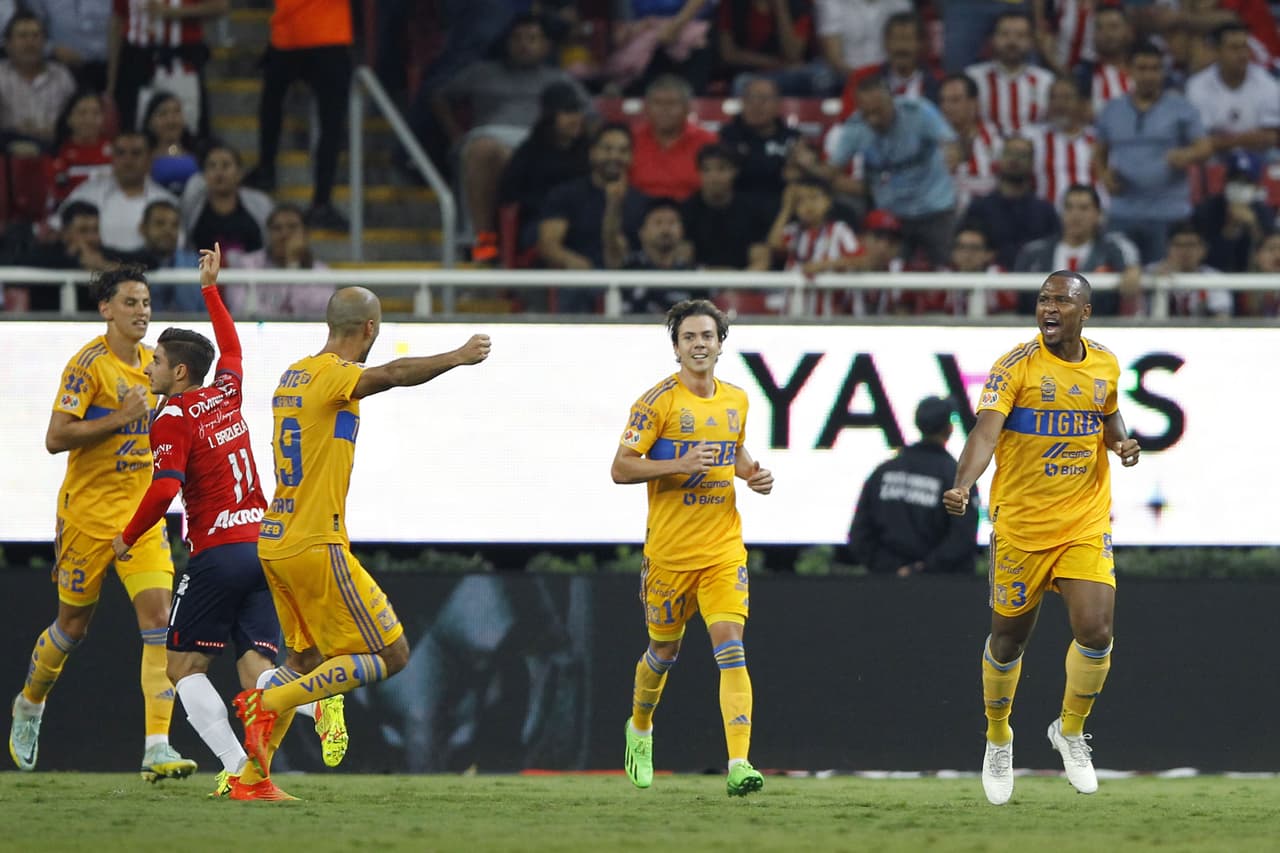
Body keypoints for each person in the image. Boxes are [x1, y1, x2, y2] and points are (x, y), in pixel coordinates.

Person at [110, 245, 346, 801]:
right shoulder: (226, 393)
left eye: (159, 362)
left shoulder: (170, 420)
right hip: (263, 546)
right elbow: (233, 347)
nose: (151, 367)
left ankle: (240, 767)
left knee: (181, 667)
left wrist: (127, 536)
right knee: (255, 671)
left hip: (217, 552)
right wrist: (212, 290)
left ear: (181, 371)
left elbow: (166, 488)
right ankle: (317, 702)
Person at [231, 288, 491, 785]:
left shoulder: (294, 374)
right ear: (370, 329)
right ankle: (269, 700)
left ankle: (251, 776)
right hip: (314, 542)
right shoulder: (335, 375)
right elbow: (391, 375)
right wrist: (457, 357)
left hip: (276, 540)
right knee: (391, 654)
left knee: (304, 660)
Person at [942, 269, 1142, 806]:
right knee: (1009, 640)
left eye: (1061, 301)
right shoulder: (1015, 366)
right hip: (1022, 527)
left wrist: (1120, 444)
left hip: (1083, 521)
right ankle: (998, 735)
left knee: (1096, 630)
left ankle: (1070, 731)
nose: (1049, 308)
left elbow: (1107, 412)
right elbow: (986, 431)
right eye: (1043, 300)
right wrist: (964, 484)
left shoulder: (1104, 362)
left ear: (1085, 312)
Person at [8, 265, 197, 780]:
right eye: (131, 302)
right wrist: (119, 417)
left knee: (159, 623)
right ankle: (30, 703)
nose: (142, 312)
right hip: (87, 519)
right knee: (71, 628)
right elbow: (55, 437)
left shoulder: (156, 366)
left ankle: (157, 745)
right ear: (106, 309)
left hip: (140, 518)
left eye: (147, 303)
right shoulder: (87, 366)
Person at [612, 298, 774, 797]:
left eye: (707, 336)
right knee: (663, 650)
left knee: (730, 648)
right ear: (677, 347)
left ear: (721, 344)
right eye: (689, 337)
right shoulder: (656, 402)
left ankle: (739, 764)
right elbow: (621, 468)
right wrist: (678, 463)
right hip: (669, 556)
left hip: (723, 550)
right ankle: (640, 727)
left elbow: (734, 450)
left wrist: (751, 473)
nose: (699, 344)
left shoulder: (738, 400)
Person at [1094, 41, 1213, 265]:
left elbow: (1205, 147)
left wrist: (1187, 155)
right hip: (1123, 212)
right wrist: (1104, 176)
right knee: (1118, 280)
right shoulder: (1112, 109)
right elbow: (1099, 151)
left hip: (1169, 213)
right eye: (1142, 68)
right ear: (1129, 70)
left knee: (1164, 284)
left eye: (1155, 68)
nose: (1149, 75)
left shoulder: (1181, 107)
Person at [243, 0, 353, 230]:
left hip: (290, 35)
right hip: (326, 36)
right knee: (330, 125)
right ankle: (321, 202)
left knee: (272, 101)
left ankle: (266, 168)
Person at [848, 396, 978, 575]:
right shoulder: (957, 478)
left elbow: (860, 535)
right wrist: (923, 569)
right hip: (942, 592)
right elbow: (963, 537)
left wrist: (891, 568)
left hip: (884, 591)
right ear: (949, 429)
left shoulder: (882, 473)